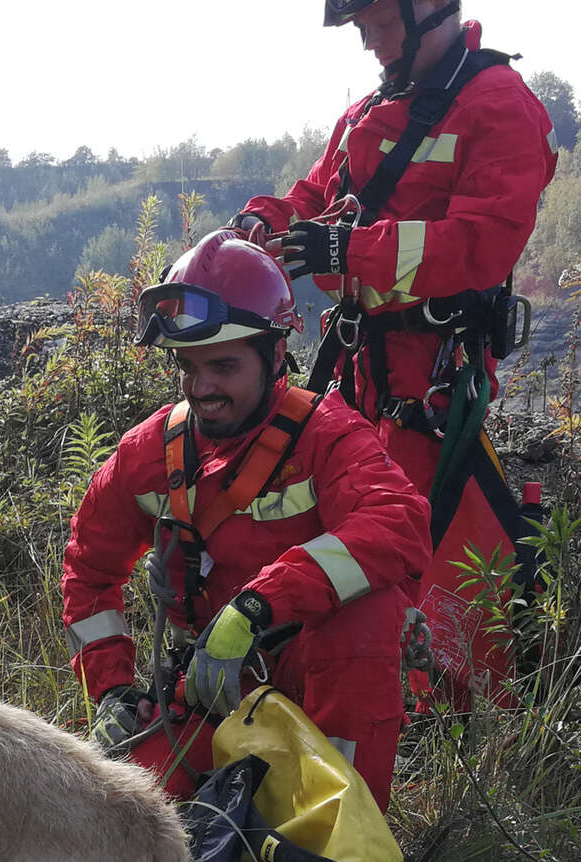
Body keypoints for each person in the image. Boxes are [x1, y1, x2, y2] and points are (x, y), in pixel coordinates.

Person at [231, 0, 557, 704]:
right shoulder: (370, 112)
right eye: (361, 29)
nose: (370, 44)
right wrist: (269, 218)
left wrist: (351, 250)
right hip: (354, 374)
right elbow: (319, 192)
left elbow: (482, 241)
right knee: (322, 533)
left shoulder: (498, 103)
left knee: (400, 557)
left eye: (379, 25)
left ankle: (422, 725)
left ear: (429, 11)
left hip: (428, 386)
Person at [61, 233, 429, 811]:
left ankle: (345, 850)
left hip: (315, 680)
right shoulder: (150, 452)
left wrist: (256, 605)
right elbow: (88, 570)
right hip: (210, 688)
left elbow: (399, 520)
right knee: (123, 820)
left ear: (275, 356)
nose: (202, 388)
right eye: (189, 366)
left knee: (369, 614)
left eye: (224, 366)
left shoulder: (326, 435)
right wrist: (111, 689)